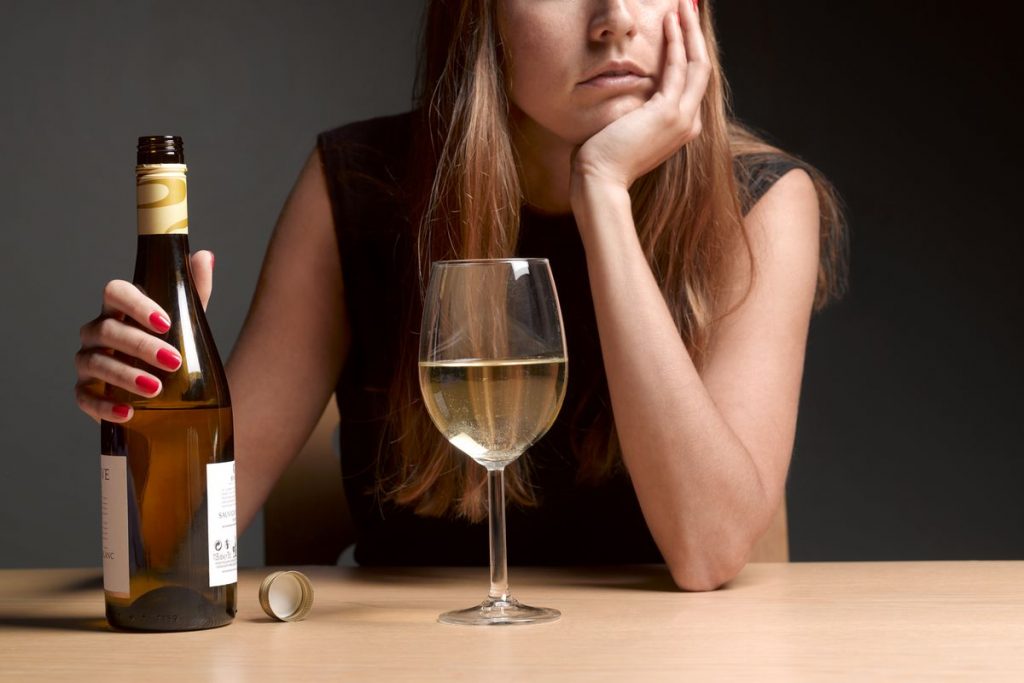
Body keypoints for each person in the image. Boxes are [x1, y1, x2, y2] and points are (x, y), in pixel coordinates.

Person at [74, 0, 845, 591]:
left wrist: (602, 192)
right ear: (482, 17)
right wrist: (160, 408)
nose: (614, 18)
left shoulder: (761, 202)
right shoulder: (358, 186)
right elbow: (172, 544)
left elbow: (707, 551)